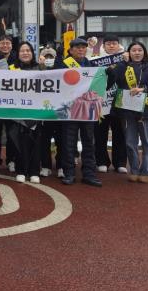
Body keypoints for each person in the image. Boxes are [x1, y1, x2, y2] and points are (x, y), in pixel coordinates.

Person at [110, 41, 148, 183]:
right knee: (130, 142)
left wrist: (144, 89)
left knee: (147, 143)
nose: (137, 53)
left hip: (147, 111)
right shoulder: (123, 67)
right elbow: (113, 79)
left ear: (144, 52)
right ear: (129, 52)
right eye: (133, 50)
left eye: (140, 50)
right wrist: (123, 63)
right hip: (127, 111)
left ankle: (146, 171)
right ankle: (134, 169)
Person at [55, 38, 102, 187]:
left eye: (83, 47)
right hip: (69, 109)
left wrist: (110, 72)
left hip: (88, 109)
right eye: (77, 47)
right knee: (68, 143)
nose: (81, 49)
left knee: (89, 142)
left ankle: (89, 174)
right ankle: (69, 173)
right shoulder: (63, 64)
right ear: (70, 50)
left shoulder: (92, 65)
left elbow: (103, 84)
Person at [93, 34, 128, 174]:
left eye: (114, 43)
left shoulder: (126, 59)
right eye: (108, 43)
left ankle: (120, 162)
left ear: (119, 45)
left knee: (120, 133)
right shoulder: (96, 60)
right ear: (103, 46)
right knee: (100, 133)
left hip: (120, 101)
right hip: (102, 103)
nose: (112, 45)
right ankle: (102, 161)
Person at [9, 42, 42, 183]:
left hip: (37, 110)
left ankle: (34, 171)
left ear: (32, 53)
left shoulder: (41, 69)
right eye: (22, 50)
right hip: (18, 111)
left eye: (28, 50)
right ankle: (21, 170)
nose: (25, 53)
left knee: (37, 141)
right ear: (18, 54)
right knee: (20, 141)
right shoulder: (12, 69)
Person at [0, 35, 17, 173]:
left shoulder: (17, 60)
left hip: (12, 103)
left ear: (11, 45)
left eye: (8, 43)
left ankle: (11, 160)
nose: (5, 45)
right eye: (2, 43)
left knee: (12, 134)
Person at [38, 46, 62, 177]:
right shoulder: (37, 69)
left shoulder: (62, 68)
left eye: (50, 57)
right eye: (45, 56)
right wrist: (41, 67)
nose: (48, 59)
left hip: (59, 111)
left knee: (61, 140)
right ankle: (45, 165)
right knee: (44, 140)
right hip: (44, 111)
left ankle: (61, 166)